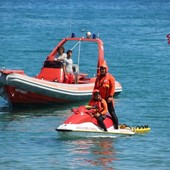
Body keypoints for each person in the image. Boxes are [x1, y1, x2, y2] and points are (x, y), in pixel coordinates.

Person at [94, 61, 119, 129]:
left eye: (103, 69)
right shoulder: (98, 78)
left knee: (112, 112)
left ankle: (116, 127)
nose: (102, 70)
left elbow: (113, 87)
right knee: (98, 111)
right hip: (100, 99)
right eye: (101, 69)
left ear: (106, 70)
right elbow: (95, 88)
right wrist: (94, 97)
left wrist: (110, 96)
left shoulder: (110, 77)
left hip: (108, 98)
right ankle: (101, 126)